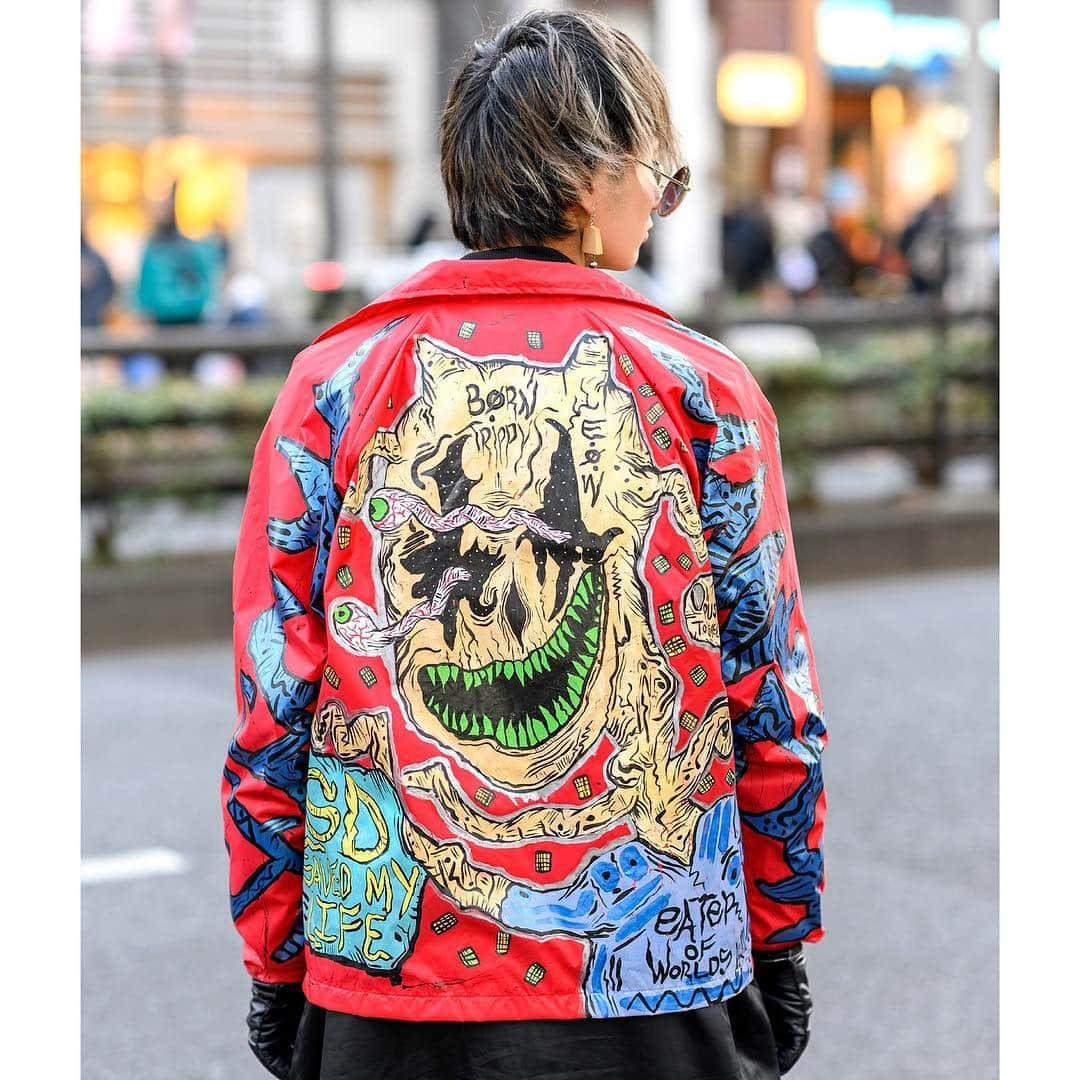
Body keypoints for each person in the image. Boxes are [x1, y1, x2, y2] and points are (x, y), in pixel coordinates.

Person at [223, 10, 826, 1080]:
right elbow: (769, 703)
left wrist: (275, 958)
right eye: (660, 174)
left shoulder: (332, 391)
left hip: (386, 987)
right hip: (656, 988)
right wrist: (778, 936)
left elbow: (277, 708)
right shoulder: (700, 392)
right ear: (592, 180)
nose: (658, 200)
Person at [136, 185, 224, 325]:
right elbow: (144, 291)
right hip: (161, 323)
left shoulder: (190, 250)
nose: (161, 211)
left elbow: (204, 286)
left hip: (190, 322)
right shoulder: (152, 250)